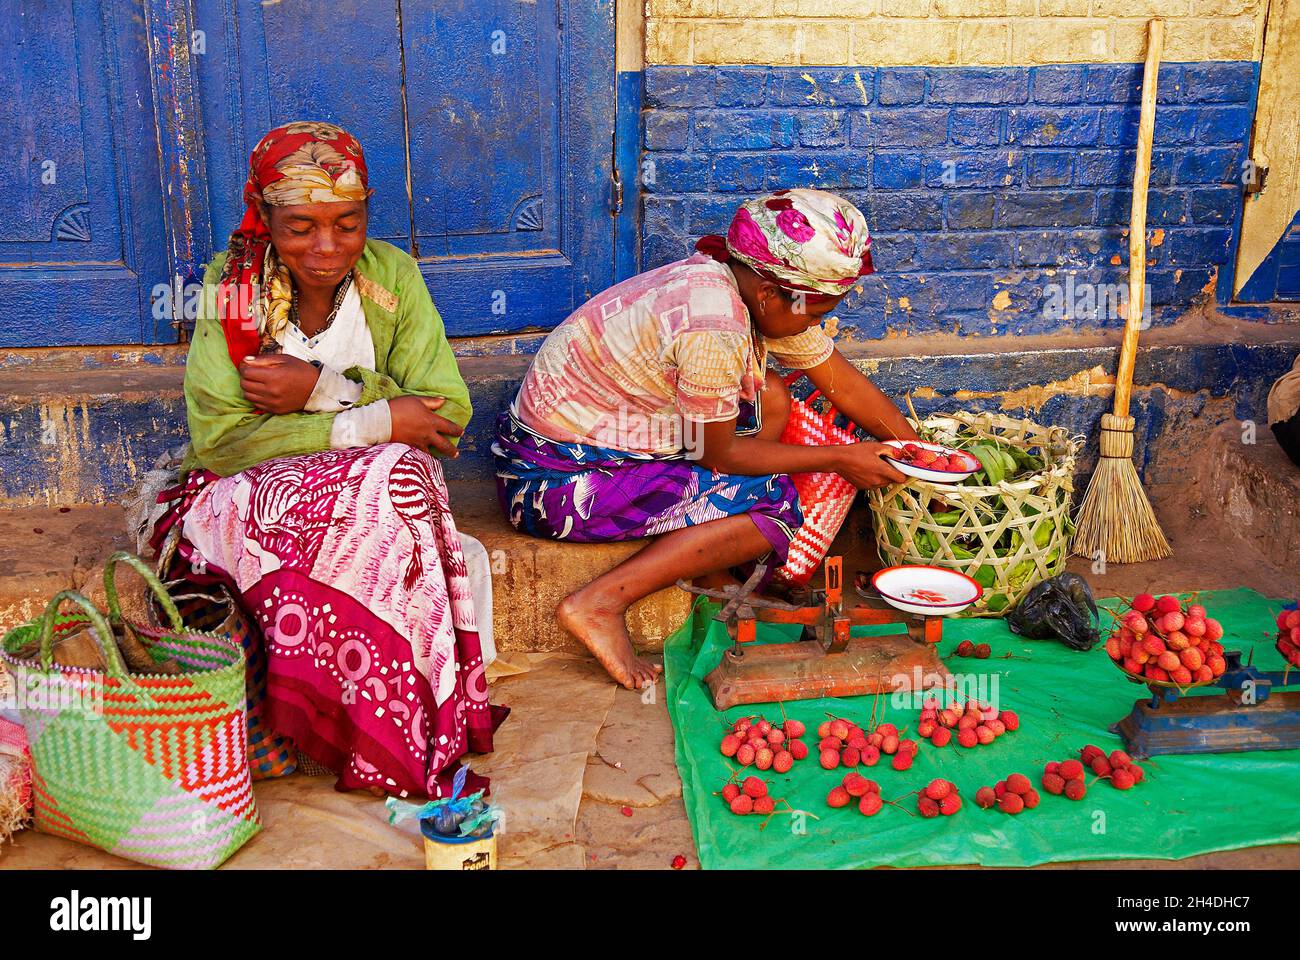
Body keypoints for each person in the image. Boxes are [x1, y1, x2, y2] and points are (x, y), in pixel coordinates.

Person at [153, 121, 502, 799]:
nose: (326, 247)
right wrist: (374, 420)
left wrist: (325, 391)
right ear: (265, 216)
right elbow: (224, 441)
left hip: (373, 488)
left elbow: (447, 414)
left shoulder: (390, 276)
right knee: (385, 483)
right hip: (246, 491)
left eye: (348, 223)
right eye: (300, 227)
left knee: (394, 486)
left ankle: (387, 720)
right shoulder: (231, 288)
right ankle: (367, 725)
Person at [494, 189, 919, 690]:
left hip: (589, 445)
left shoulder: (739, 281)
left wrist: (918, 450)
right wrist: (841, 458)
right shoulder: (715, 325)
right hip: (553, 484)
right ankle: (599, 602)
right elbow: (717, 453)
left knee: (774, 397)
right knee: (774, 502)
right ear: (769, 292)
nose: (817, 322)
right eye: (814, 311)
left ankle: (709, 567)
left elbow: (837, 379)